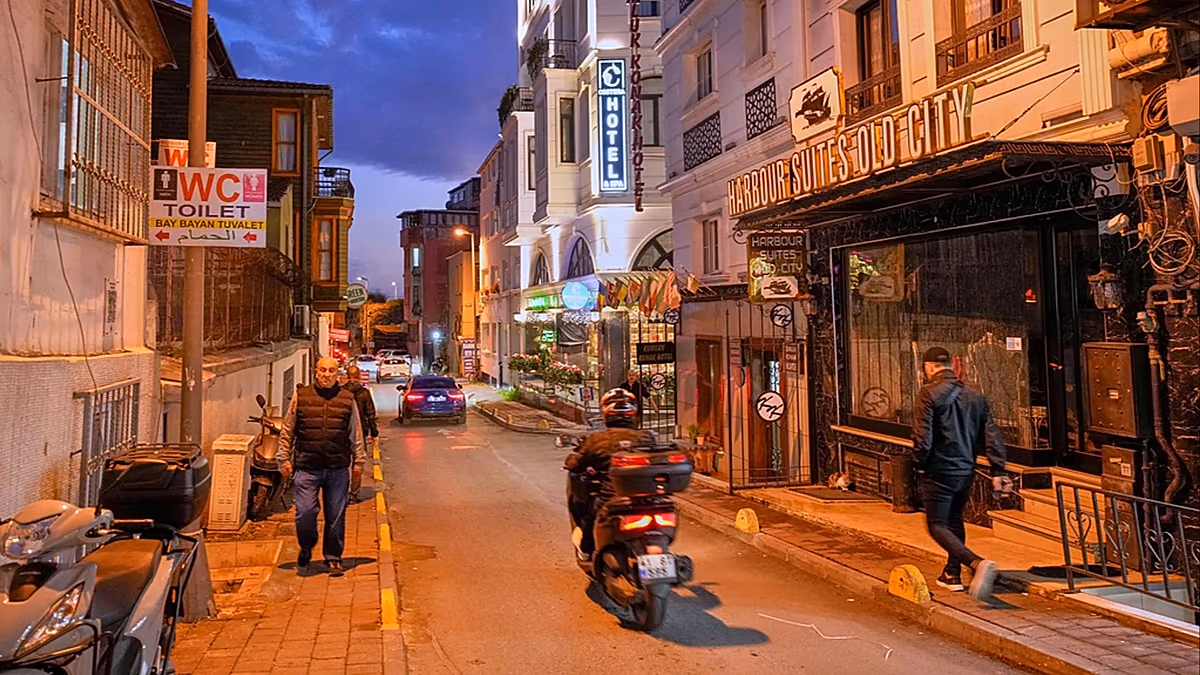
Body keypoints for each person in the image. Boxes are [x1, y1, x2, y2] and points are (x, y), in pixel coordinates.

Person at [912, 346, 1010, 601]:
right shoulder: (975, 396)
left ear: (929, 367)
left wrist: (920, 463)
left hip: (938, 469)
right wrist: (998, 469)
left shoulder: (928, 393)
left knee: (936, 525)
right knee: (955, 520)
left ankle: (976, 563)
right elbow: (991, 435)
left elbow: (923, 437)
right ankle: (951, 574)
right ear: (950, 365)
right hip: (965, 469)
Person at [278, 357, 368, 576]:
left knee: (336, 514)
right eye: (323, 370)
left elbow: (355, 432)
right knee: (305, 512)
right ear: (316, 372)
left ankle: (333, 557)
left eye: (331, 371)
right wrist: (283, 459)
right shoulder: (302, 396)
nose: (327, 374)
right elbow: (288, 429)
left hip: (337, 468)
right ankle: (306, 545)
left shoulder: (347, 399)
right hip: (307, 467)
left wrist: (359, 462)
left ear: (338, 374)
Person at [564, 388, 658, 561]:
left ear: (606, 413)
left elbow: (576, 464)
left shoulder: (598, 439)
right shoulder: (647, 437)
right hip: (648, 499)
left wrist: (571, 461)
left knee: (590, 517)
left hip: (612, 499)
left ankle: (586, 549)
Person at [344, 365, 379, 501]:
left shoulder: (341, 392)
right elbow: (371, 415)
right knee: (358, 462)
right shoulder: (364, 393)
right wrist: (374, 433)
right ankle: (354, 493)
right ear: (359, 377)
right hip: (360, 432)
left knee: (342, 463)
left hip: (342, 432)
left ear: (346, 377)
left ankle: (341, 492)